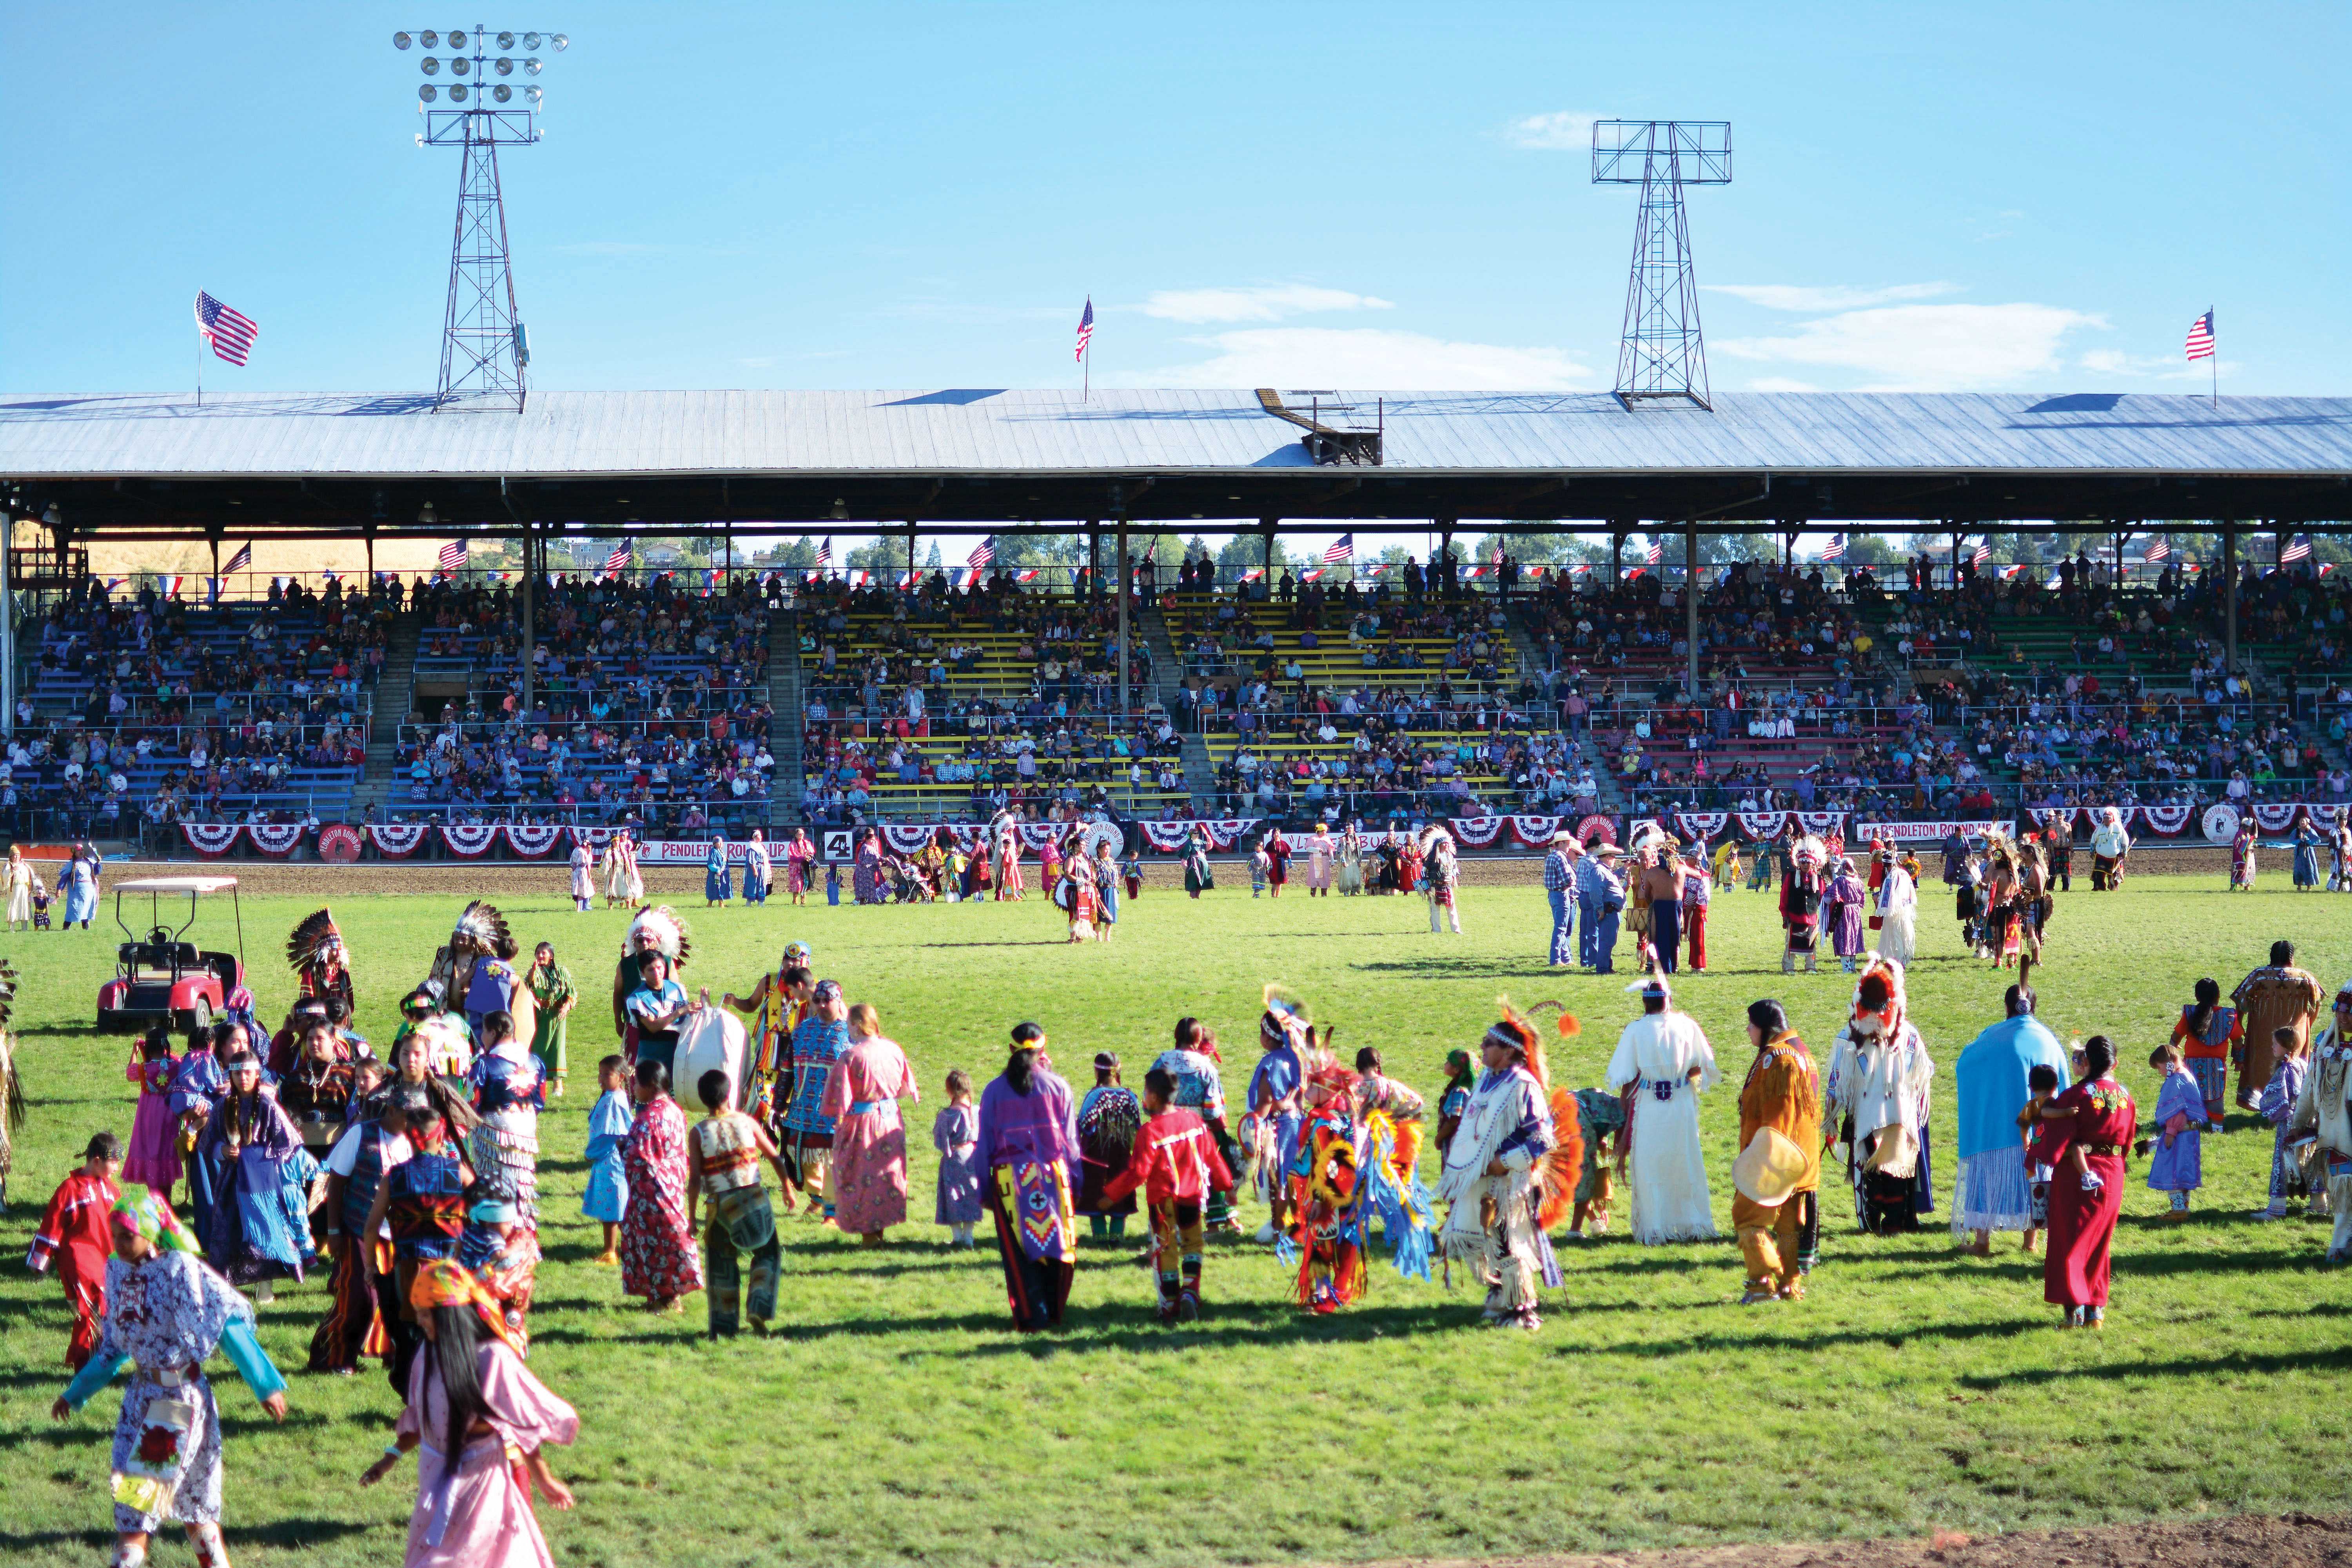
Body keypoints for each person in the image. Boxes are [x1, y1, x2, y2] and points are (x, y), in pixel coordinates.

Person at [50, 1192, 289, 1568]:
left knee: (142, 1505)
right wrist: (75, 1393)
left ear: (150, 1234)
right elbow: (114, 1349)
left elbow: (224, 1325)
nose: (119, 1244)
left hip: (177, 1403)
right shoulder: (119, 1273)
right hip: (140, 1399)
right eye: (114, 1236)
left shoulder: (180, 1271)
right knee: (187, 1504)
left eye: (127, 1236)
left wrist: (265, 1385)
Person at [359, 1259, 579, 1566]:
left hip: (480, 1479)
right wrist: (389, 1458)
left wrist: (544, 1480)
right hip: (435, 1476)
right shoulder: (427, 1353)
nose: (420, 1322)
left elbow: (522, 1425)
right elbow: (422, 1418)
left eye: (425, 1315)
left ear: (449, 1315)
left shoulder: (492, 1359)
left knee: (465, 1557)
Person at [1435, 1005, 1566, 1330]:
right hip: (1481, 1180)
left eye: (1489, 1043)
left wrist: (1503, 1163)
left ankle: (1522, 1309)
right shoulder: (1486, 1081)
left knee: (1510, 1241)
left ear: (1509, 1051)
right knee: (1485, 1237)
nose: (1482, 1047)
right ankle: (1499, 1292)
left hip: (1511, 1182)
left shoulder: (1523, 1084)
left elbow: (1543, 1138)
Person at [1098, 1064, 1238, 1324]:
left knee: (1166, 1249)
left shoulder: (1150, 1132)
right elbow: (1212, 1158)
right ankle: (1190, 1293)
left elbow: (1139, 1172)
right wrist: (1227, 1186)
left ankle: (1171, 1304)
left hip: (1163, 1201)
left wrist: (1110, 1195)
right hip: (1193, 1197)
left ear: (1152, 1097)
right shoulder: (1194, 1121)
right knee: (1194, 1244)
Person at [363, 1098, 474, 1397]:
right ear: (441, 1137)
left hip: (409, 1270)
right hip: (452, 1268)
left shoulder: (394, 1178)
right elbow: (482, 1213)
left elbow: (371, 1227)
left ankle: (416, 1397)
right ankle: (450, 1395)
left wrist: (371, 1268)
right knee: (451, 1332)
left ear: (408, 1138)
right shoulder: (459, 1172)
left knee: (413, 1336)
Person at [2027, 1034, 2137, 1327]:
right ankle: (2095, 1314)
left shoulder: (2076, 1096)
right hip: (2112, 1173)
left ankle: (2074, 1313)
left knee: (2070, 1242)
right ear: (2114, 1062)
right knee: (2100, 1242)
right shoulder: (2125, 1096)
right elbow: (2127, 1140)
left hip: (2078, 1174)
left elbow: (2053, 1138)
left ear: (2086, 1061)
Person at [1951, 984, 2069, 1256]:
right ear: (2033, 1007)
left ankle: (1982, 1242)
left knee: (1988, 1176)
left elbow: (1965, 1065)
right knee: (2036, 1180)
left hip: (1991, 1129)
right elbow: (2064, 1085)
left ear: (2007, 1008)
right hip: (2038, 1133)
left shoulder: (1989, 1039)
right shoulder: (2049, 1041)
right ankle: (2031, 1243)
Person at [1821, 960, 1937, 1235]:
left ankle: (1877, 1222)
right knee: (1898, 1172)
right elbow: (1924, 1074)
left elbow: (1836, 1086)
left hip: (1870, 1118)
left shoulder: (1851, 1036)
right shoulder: (1908, 1034)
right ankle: (1897, 1222)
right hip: (1901, 1115)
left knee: (1876, 1172)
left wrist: (1831, 1118)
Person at [976, 1025, 1080, 1330]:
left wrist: (984, 1189)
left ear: (1011, 1051)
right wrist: (1077, 1182)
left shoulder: (994, 1091)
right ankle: (1054, 1312)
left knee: (1019, 1256)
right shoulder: (1059, 1087)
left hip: (1010, 1184)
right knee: (1056, 1246)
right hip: (1054, 1179)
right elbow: (1071, 1144)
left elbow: (984, 1146)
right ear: (1043, 1050)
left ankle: (1031, 1315)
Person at [1604, 972, 1720, 1243]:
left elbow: (1627, 1077)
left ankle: (1655, 1226)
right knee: (1685, 1159)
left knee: (1651, 1163)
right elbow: (1703, 1063)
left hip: (1650, 1105)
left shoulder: (1636, 1029)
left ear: (1645, 1003)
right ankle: (1692, 1223)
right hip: (1681, 1103)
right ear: (1668, 1001)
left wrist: (1623, 1121)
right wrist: (1679, 1074)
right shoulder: (1686, 1025)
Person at [192, 1051, 307, 1299]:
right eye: (237, 1073)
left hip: (262, 1184)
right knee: (229, 1228)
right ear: (230, 1075)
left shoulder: (267, 1105)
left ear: (257, 1074)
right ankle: (227, 1287)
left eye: (248, 1073)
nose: (243, 1078)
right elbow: (207, 1143)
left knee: (263, 1232)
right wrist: (222, 1150)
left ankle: (265, 1287)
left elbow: (289, 1142)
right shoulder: (223, 1106)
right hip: (231, 1182)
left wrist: (258, 1156)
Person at [686, 1069, 792, 1336]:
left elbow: (696, 1179)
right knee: (768, 1254)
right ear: (729, 1093)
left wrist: (691, 1218)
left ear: (702, 1100)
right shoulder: (747, 1122)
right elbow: (775, 1157)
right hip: (752, 1198)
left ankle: (723, 1326)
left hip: (720, 1205)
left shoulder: (698, 1132)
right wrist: (787, 1187)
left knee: (721, 1263)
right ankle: (758, 1304)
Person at [312, 1093, 411, 1377]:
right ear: (392, 1110)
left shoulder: (417, 1141)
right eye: (408, 1114)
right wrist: (333, 1231)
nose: (412, 1122)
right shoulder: (362, 1133)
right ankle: (337, 1355)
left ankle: (395, 1354)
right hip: (359, 1228)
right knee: (360, 1297)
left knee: (398, 1299)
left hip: (401, 1233)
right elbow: (337, 1183)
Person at [1731, 999, 1820, 1305]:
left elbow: (1779, 1118)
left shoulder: (1778, 1059)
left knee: (1746, 1216)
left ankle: (1762, 1282)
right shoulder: (1802, 1052)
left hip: (1777, 1159)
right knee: (1788, 1226)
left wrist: (1763, 1159)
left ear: (1766, 1028)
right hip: (1801, 1161)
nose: (1748, 1031)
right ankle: (1789, 1286)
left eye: (1751, 1025)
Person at [822, 1002, 920, 1245]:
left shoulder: (851, 1056)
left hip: (862, 1124)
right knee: (886, 1174)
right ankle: (880, 1232)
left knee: (862, 1176)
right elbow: (906, 1088)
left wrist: (839, 1122)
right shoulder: (894, 1050)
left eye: (848, 1026)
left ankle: (869, 1236)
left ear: (856, 1025)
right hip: (890, 1121)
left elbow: (840, 1098)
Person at [27, 1131, 123, 1368]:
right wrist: (40, 1260)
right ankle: (84, 1363)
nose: (118, 1167)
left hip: (106, 1259)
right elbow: (53, 1223)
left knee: (108, 1309)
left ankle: (87, 1360)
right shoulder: (71, 1189)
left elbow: (122, 1222)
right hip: (79, 1263)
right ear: (97, 1161)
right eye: (114, 1162)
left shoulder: (112, 1190)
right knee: (90, 1309)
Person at [619, 1057, 702, 1313]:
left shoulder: (650, 1116)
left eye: (636, 1083)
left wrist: (623, 1147)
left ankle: (663, 1299)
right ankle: (666, 1297)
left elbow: (637, 1156)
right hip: (673, 1186)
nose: (633, 1087)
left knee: (655, 1244)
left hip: (652, 1193)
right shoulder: (674, 1110)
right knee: (669, 1240)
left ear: (651, 1085)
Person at [782, 979, 849, 1223]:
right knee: (802, 1158)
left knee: (832, 1161)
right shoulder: (802, 1031)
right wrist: (779, 1102)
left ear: (839, 1001)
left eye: (827, 1001)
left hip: (836, 1112)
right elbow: (787, 1069)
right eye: (817, 1001)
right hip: (803, 1108)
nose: (821, 1005)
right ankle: (818, 1198)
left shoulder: (849, 1034)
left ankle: (831, 1212)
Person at [2295, 980, 2352, 1261]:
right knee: (2343, 1190)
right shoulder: (2324, 1043)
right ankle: (2340, 1245)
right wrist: (2299, 1123)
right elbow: (2309, 1088)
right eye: (2338, 1009)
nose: (2342, 1016)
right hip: (2336, 1134)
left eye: (2349, 1011)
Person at [1247, 995, 1310, 1242]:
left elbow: (1264, 1103)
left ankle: (1277, 1227)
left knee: (1278, 1180)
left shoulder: (1272, 1063)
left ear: (1269, 1036)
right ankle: (1299, 1225)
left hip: (1279, 1129)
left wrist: (1254, 1129)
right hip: (1299, 1124)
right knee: (1295, 1178)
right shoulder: (1295, 1059)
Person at [2233, 941, 2323, 1112]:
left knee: (2263, 1068)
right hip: (2297, 1033)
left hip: (2263, 1033)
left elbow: (2241, 1005)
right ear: (2292, 957)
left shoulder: (2259, 976)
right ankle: (2291, 1106)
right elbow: (2317, 1004)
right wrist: (2308, 1025)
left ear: (2272, 956)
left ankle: (2262, 1105)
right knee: (2293, 1069)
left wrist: (2241, 1030)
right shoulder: (2304, 977)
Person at [1075, 1051, 1142, 1239]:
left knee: (1095, 1195)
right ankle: (1117, 1237)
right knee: (1120, 1193)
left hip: (1095, 1157)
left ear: (1097, 1073)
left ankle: (1100, 1238)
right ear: (1118, 1070)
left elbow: (1083, 1124)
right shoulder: (1130, 1097)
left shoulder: (1094, 1096)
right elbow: (1137, 1126)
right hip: (1121, 1154)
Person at [124, 1027, 187, 1205]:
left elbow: (130, 1074)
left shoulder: (144, 1069)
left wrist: (136, 1053)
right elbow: (178, 1059)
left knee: (151, 1150)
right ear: (166, 1045)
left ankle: (154, 1198)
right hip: (169, 1114)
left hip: (149, 1115)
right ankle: (167, 1198)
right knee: (166, 1150)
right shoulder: (176, 1066)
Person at [2145, 1042, 2208, 1219]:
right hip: (2191, 1134)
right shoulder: (2187, 1076)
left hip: (2179, 1134)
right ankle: (2183, 1210)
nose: (2160, 1072)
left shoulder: (2176, 1081)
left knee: (2171, 1170)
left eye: (2159, 1068)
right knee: (2184, 1171)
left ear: (2169, 1063)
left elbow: (2178, 1111)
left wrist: (2171, 1132)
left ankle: (2178, 1210)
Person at [582, 1056, 632, 1264]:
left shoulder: (613, 1100)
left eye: (607, 1074)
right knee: (614, 1205)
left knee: (611, 1207)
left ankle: (610, 1252)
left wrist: (591, 1153)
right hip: (609, 1160)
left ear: (620, 1077)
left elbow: (611, 1135)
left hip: (610, 1159)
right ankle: (627, 1249)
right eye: (600, 1073)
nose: (601, 1078)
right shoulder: (615, 1096)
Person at [2171, 977, 2241, 1126]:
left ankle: (2191, 1127)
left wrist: (2173, 1052)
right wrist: (2239, 1060)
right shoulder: (2228, 1017)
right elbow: (2238, 1042)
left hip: (2190, 1067)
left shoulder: (2190, 1014)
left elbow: (2176, 1037)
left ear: (2197, 997)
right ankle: (2217, 1130)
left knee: (2191, 1097)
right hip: (2217, 1068)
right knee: (2216, 1100)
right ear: (2218, 996)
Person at [933, 1069, 983, 1247]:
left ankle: (957, 1238)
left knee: (952, 1195)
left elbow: (940, 1141)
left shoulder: (947, 1115)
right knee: (971, 1194)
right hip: (972, 1157)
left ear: (950, 1090)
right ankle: (969, 1238)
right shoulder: (975, 1112)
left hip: (953, 1158)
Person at [624, 949, 691, 1081]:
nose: (657, 973)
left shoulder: (678, 989)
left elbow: (688, 1020)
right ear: (642, 973)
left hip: (678, 1053)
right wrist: (680, 1011)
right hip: (652, 1056)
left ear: (665, 967)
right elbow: (653, 1027)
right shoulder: (637, 999)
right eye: (651, 970)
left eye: (659, 968)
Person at [523, 943, 573, 1099]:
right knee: (538, 1047)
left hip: (557, 1016)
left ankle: (558, 1083)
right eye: (537, 953)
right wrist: (532, 972)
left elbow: (571, 993)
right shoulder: (534, 972)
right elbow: (527, 987)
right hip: (539, 1016)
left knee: (557, 1048)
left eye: (543, 953)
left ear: (551, 955)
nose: (540, 956)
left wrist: (566, 1007)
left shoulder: (562, 972)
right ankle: (536, 1081)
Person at [1639, 837, 1687, 975]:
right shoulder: (1681, 869)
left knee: (1663, 938)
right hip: (1673, 906)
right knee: (1673, 937)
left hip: (1660, 905)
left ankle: (1667, 967)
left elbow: (1647, 894)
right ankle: (1671, 967)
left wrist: (1652, 904)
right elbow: (1699, 875)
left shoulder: (1652, 872)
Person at [1779, 835, 1825, 974]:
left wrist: (1822, 916)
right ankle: (1789, 966)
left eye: (1808, 862)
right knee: (1792, 942)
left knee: (1811, 942)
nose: (1805, 865)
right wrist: (1785, 914)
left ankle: (1810, 966)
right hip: (1794, 915)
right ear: (1799, 863)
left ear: (1813, 863)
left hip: (1811, 916)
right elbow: (1784, 896)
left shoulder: (1818, 879)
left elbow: (1822, 898)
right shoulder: (1791, 877)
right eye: (1803, 862)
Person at [1874, 847, 1917, 969]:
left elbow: (1888, 897)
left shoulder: (1891, 877)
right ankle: (1906, 956)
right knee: (1906, 933)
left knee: (1897, 935)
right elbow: (1912, 892)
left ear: (1884, 864)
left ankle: (1900, 960)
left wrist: (1881, 908)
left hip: (1895, 910)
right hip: (1906, 907)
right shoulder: (1904, 873)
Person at [1823, 856, 1868, 973]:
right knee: (1853, 937)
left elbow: (1830, 898)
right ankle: (1852, 967)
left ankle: (1847, 968)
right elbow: (1863, 900)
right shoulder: (1859, 881)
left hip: (1843, 912)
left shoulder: (1840, 881)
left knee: (1845, 937)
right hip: (1856, 912)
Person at [1584, 846, 1625, 973]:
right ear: (1607, 857)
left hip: (1611, 911)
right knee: (1607, 941)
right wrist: (1600, 909)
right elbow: (1595, 893)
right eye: (1613, 856)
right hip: (1608, 911)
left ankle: (1606, 966)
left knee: (1609, 940)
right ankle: (1603, 968)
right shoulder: (1599, 871)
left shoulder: (1604, 870)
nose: (1614, 859)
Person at [1543, 831, 1580, 969]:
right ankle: (1556, 959)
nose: (1569, 847)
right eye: (1568, 844)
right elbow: (1568, 879)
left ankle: (1565, 958)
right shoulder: (1561, 858)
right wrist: (1574, 880)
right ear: (1561, 844)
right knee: (1561, 929)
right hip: (1562, 894)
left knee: (1561, 928)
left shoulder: (1551, 857)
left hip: (1553, 895)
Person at [1422, 825, 1462, 935]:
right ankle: (1436, 930)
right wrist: (1426, 887)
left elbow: (1455, 868)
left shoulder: (1451, 857)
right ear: (1439, 845)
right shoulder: (1432, 857)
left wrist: (1453, 876)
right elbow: (1423, 871)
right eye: (1444, 843)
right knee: (1435, 910)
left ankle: (1456, 929)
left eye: (1447, 843)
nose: (1446, 845)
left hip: (1447, 886)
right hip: (1435, 886)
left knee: (1452, 909)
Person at [1682, 844, 1711, 973]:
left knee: (1697, 937)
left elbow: (1704, 895)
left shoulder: (1703, 875)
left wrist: (1692, 906)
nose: (1685, 862)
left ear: (1694, 860)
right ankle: (1674, 964)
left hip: (1697, 910)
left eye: (1687, 860)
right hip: (1682, 908)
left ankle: (1698, 965)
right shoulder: (1684, 873)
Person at [2089, 806, 2131, 890]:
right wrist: (2092, 851)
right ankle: (2099, 887)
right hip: (2101, 855)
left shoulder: (2118, 828)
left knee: (2114, 874)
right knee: (2099, 873)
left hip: (2114, 856)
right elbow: (2093, 841)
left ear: (2112, 819)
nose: (2106, 820)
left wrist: (2125, 853)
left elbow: (2125, 841)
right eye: (2105, 818)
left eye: (2108, 818)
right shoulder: (2100, 829)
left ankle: (2113, 887)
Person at [4, 841, 30, 930]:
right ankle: (12, 928)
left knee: (24, 906)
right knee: (13, 906)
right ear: (11, 857)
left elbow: (30, 876)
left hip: (23, 888)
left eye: (18, 855)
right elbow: (5, 875)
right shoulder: (9, 866)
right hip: (14, 889)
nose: (17, 857)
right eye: (15, 855)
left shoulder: (24, 865)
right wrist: (12, 871)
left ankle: (24, 928)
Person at [1182, 825, 1214, 899]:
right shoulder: (1189, 844)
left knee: (1202, 879)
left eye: (1197, 833)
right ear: (1191, 835)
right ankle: (1193, 896)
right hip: (1194, 863)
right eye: (1195, 833)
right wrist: (1185, 864)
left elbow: (1208, 847)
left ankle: (1198, 896)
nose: (1197, 835)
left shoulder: (1201, 842)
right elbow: (1186, 855)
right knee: (1194, 879)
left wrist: (1208, 837)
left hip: (1203, 862)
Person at [785, 828, 815, 905]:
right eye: (800, 834)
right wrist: (802, 858)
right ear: (796, 835)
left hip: (805, 866)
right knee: (797, 884)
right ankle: (795, 900)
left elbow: (811, 852)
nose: (802, 835)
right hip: (795, 868)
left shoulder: (807, 843)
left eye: (803, 834)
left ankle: (803, 900)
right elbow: (791, 856)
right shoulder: (792, 844)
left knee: (805, 882)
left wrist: (809, 856)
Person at [1305, 821, 1335, 897]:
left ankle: (1324, 894)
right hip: (1315, 858)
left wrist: (1332, 861)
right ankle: (1313, 894)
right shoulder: (1313, 838)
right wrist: (1317, 850)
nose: (1325, 832)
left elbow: (1330, 850)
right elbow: (1308, 848)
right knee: (1315, 876)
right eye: (1324, 831)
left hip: (1325, 859)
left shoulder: (1327, 839)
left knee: (1325, 876)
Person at [744, 829, 772, 907]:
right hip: (755, 868)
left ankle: (761, 903)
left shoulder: (760, 847)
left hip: (762, 868)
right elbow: (751, 859)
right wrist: (755, 870)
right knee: (753, 884)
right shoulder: (751, 846)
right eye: (759, 835)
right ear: (755, 837)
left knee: (761, 884)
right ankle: (749, 903)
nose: (761, 837)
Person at [706, 832, 734, 907]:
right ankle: (718, 903)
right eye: (719, 842)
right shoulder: (713, 851)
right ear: (715, 844)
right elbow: (711, 864)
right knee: (716, 887)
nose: (721, 844)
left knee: (721, 887)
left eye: (722, 842)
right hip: (716, 875)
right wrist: (717, 870)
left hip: (722, 874)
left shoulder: (721, 852)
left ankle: (717, 903)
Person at [2230, 817, 2258, 891]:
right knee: (2239, 870)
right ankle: (2233, 887)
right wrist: (2252, 839)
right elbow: (2244, 842)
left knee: (2250, 870)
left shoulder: (2247, 834)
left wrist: (2253, 843)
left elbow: (2252, 839)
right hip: (2242, 856)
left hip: (2249, 854)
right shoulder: (2241, 833)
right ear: (2246, 827)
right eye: (2250, 827)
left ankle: (2247, 885)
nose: (2251, 829)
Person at [568, 838, 595, 913]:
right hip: (582, 871)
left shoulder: (577, 850)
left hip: (576, 871)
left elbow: (572, 862)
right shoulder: (582, 852)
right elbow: (586, 862)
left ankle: (580, 907)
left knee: (579, 889)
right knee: (582, 889)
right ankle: (582, 907)